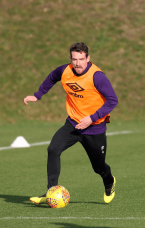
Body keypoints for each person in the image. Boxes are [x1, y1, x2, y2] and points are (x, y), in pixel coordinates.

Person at [23, 42, 118, 204]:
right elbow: (52, 78)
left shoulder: (97, 77)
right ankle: (51, 191)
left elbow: (112, 100)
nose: (78, 63)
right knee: (53, 149)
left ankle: (109, 181)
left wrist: (91, 118)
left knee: (99, 167)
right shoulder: (65, 70)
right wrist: (38, 95)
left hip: (94, 128)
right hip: (73, 124)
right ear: (70, 59)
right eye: (74, 59)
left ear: (88, 58)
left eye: (81, 59)